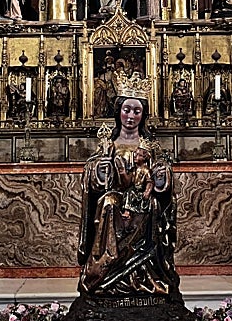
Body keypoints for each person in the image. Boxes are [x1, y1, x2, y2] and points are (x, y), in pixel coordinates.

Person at [76, 83, 181, 302]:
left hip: (141, 196)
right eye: (127, 110)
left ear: (143, 115)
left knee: (152, 205)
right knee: (108, 203)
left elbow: (161, 172)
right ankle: (106, 269)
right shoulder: (109, 144)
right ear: (118, 112)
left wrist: (161, 174)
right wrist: (99, 170)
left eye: (136, 111)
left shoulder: (149, 145)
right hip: (116, 194)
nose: (131, 116)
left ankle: (143, 274)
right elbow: (94, 174)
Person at [121, 141, 154, 219]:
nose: (135, 156)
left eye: (139, 155)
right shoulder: (134, 169)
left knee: (130, 192)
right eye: (135, 154)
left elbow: (150, 182)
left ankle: (127, 211)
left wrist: (147, 192)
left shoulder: (145, 170)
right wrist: (124, 174)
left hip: (140, 192)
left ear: (144, 158)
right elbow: (129, 181)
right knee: (127, 192)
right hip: (134, 190)